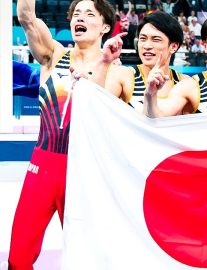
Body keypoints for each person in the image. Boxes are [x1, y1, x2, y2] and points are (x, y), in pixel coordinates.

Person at [9, 0, 117, 268]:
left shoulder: (116, 73)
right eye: (76, 13)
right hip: (41, 169)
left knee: (88, 257)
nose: (80, 17)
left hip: (83, 172)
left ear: (105, 26)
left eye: (89, 13)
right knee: (18, 255)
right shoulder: (53, 55)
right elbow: (26, 17)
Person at [105, 11, 189, 112]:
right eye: (143, 39)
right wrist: (103, 63)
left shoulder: (185, 83)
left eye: (156, 39)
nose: (147, 46)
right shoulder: (123, 75)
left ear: (173, 47)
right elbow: (98, 111)